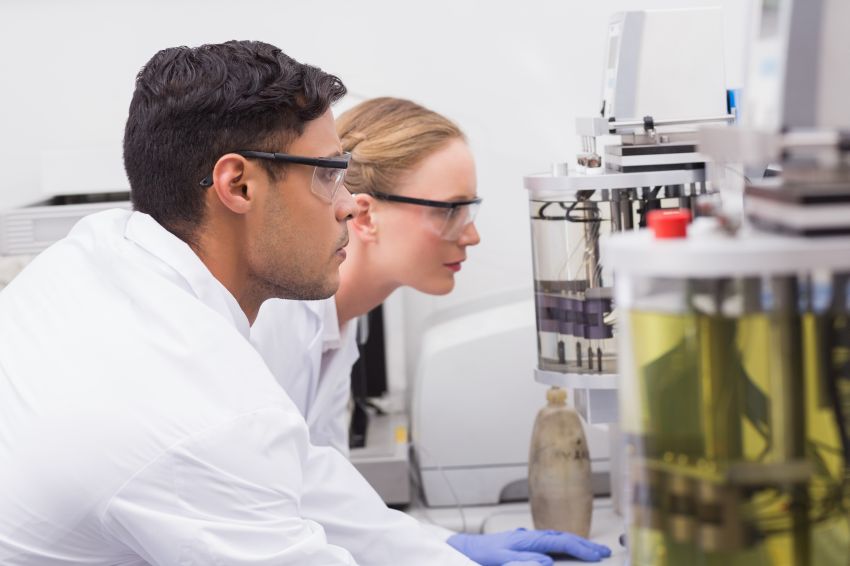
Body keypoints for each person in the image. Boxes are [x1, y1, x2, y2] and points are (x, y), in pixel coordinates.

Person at [0, 41, 478, 565]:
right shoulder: (203, 409)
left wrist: (441, 552)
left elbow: (301, 472)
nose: (348, 205)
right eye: (327, 174)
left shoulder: (94, 253)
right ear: (239, 185)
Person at [250, 98, 613, 565]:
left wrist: (445, 546)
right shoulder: (277, 319)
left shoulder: (340, 324)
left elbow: (327, 496)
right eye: (449, 210)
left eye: (469, 210)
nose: (471, 235)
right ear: (364, 216)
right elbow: (273, 502)